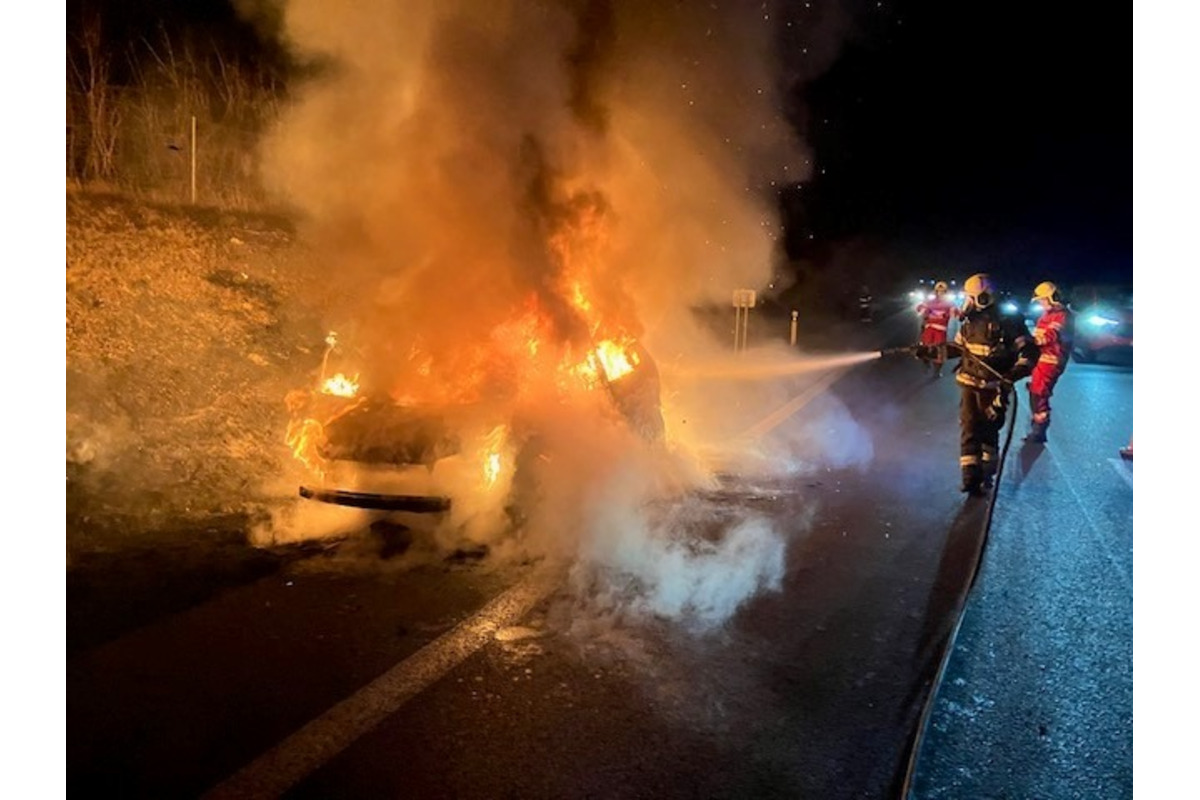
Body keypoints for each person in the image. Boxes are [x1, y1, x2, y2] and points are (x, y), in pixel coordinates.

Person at [932, 273, 1040, 495]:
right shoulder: (970, 322)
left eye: (970, 297)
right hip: (969, 385)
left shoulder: (1009, 322)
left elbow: (1029, 352)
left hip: (994, 390)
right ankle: (970, 479)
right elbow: (958, 348)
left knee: (990, 432)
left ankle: (988, 474)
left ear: (982, 298)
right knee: (969, 429)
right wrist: (932, 351)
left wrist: (1012, 375)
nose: (967, 302)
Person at [1024, 281, 1076, 443]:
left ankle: (1040, 429)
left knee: (1039, 393)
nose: (1041, 303)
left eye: (1042, 300)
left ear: (1051, 298)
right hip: (1042, 359)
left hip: (1052, 360)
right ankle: (1037, 426)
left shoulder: (1063, 315)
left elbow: (1051, 335)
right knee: (1035, 391)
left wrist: (1031, 341)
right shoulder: (1046, 315)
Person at [915, 281, 959, 377]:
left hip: (941, 330)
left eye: (943, 291)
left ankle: (937, 371)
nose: (941, 293)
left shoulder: (950, 303)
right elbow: (920, 309)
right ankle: (926, 364)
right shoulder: (930, 302)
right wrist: (923, 309)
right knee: (925, 347)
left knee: (940, 352)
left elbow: (956, 314)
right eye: (939, 291)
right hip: (929, 329)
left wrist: (957, 313)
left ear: (946, 292)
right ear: (936, 292)